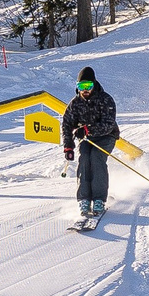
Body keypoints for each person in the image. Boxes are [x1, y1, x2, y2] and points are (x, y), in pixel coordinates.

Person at [60, 65, 119, 228]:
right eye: (81, 87)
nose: (85, 90)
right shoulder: (75, 103)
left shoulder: (105, 99)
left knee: (97, 158)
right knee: (84, 158)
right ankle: (84, 199)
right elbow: (66, 124)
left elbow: (108, 124)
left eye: (88, 86)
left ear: (94, 85)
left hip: (106, 136)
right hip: (87, 137)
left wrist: (87, 129)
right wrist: (68, 146)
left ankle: (99, 199)